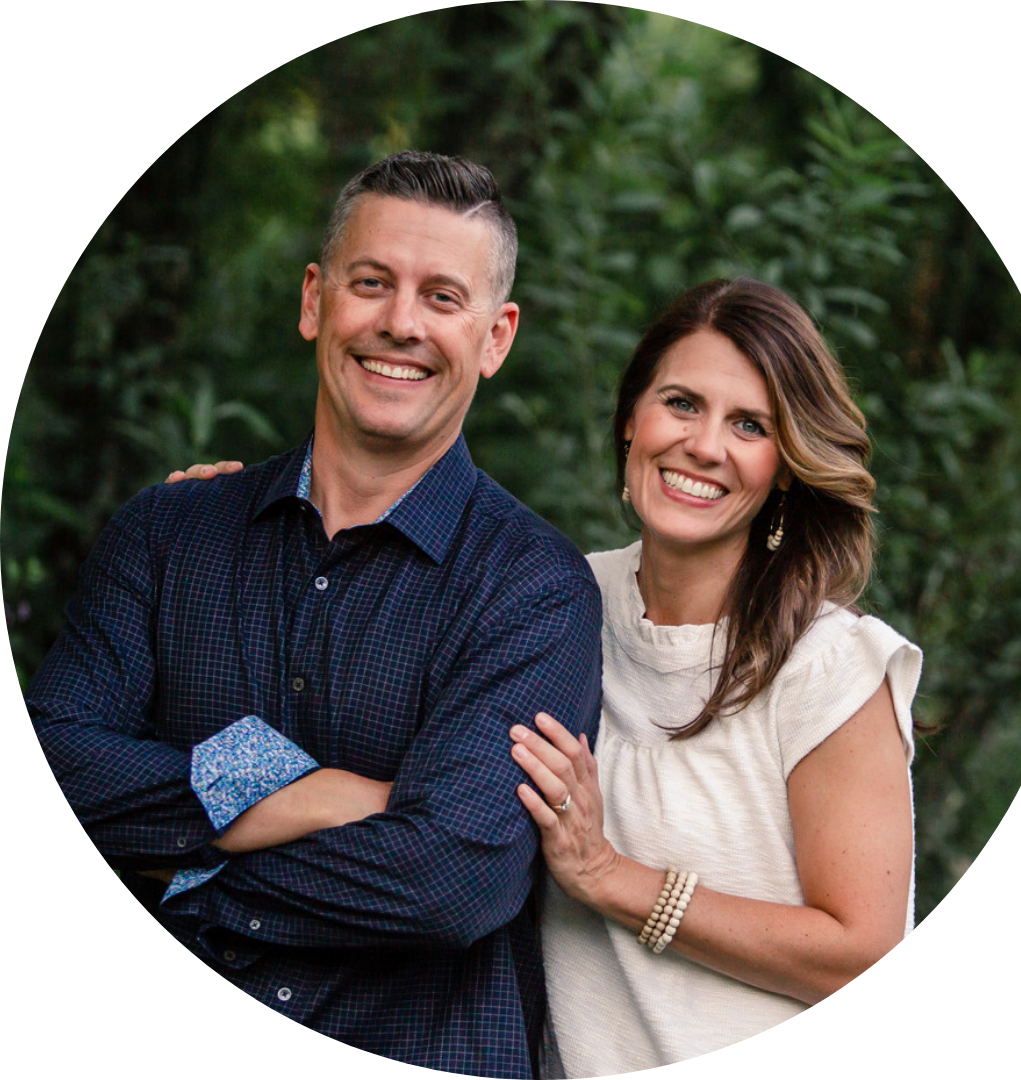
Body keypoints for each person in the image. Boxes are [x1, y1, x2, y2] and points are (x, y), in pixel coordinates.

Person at [27, 151, 602, 1079]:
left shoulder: (533, 587)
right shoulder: (167, 535)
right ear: (313, 301)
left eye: (442, 297)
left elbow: (447, 883)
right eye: (371, 283)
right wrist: (297, 789)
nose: (400, 323)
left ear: (496, 338)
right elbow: (59, 761)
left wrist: (178, 864)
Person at [506, 278, 924, 1077]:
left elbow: (868, 966)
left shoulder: (826, 666)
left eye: (749, 425)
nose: (704, 446)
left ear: (786, 467)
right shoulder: (556, 603)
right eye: (681, 403)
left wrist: (610, 877)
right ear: (631, 419)